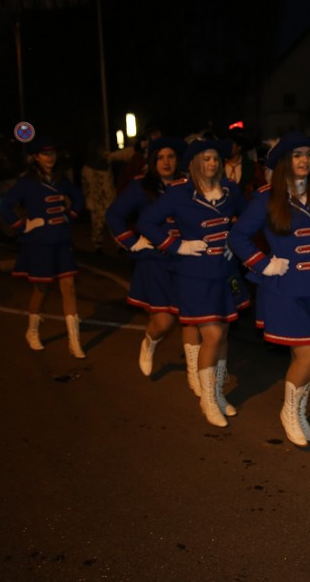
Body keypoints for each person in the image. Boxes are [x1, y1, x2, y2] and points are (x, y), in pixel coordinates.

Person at [229, 131, 310, 446]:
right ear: (283, 161)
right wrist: (264, 263)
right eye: (297, 155)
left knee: (308, 356)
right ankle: (289, 412)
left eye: (309, 155)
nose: (305, 161)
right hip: (285, 288)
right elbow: (238, 237)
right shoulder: (267, 197)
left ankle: (298, 412)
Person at [137, 138, 250, 427]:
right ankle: (207, 400)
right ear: (194, 163)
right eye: (206, 158)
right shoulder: (179, 192)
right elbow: (146, 221)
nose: (212, 163)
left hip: (224, 271)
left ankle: (217, 393)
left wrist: (235, 241)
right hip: (193, 275)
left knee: (223, 335)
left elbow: (249, 218)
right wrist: (177, 246)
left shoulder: (230, 190)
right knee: (211, 336)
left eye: (215, 158)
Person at [106, 137, 193, 380]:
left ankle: (197, 373)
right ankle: (149, 343)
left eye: (171, 157)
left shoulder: (188, 184)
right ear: (153, 161)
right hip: (154, 261)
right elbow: (114, 215)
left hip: (186, 261)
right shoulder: (140, 186)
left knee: (192, 319)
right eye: (160, 158)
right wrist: (132, 242)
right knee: (164, 322)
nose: (166, 162)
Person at [0, 138, 87, 357]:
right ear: (35, 157)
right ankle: (32, 330)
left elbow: (78, 198)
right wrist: (22, 226)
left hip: (62, 240)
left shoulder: (60, 179)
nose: (50, 158)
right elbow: (4, 205)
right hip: (40, 242)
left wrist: (70, 214)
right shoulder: (26, 182)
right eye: (45, 155)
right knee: (41, 289)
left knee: (69, 286)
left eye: (53, 154)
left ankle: (74, 341)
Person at [82, 145, 117, 253]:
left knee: (113, 222)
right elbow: (87, 186)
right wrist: (90, 200)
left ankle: (118, 244)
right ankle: (98, 244)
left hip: (108, 198)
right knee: (97, 223)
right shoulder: (88, 169)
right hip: (97, 199)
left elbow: (110, 182)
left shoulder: (106, 165)